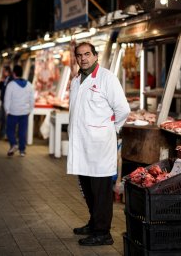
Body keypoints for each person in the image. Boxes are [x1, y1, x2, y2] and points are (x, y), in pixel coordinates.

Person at [67, 42, 130, 246]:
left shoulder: (107, 78)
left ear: (95, 56)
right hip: (82, 145)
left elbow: (123, 110)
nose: (83, 58)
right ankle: (94, 223)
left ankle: (103, 233)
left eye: (87, 54)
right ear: (76, 58)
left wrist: (109, 130)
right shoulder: (77, 81)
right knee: (87, 188)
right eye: (79, 55)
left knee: (101, 190)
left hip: (100, 146)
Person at [4, 65, 34, 157]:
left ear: (14, 73)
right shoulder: (29, 84)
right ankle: (22, 151)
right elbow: (32, 99)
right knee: (22, 132)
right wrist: (30, 109)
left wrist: (7, 110)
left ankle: (14, 144)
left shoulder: (11, 85)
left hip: (13, 112)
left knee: (9, 130)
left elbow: (7, 99)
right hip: (24, 112)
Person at [0, 66, 13, 140]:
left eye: (4, 71)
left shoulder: (11, 79)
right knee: (2, 119)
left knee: (7, 119)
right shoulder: (5, 79)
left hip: (8, 102)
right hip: (3, 101)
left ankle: (7, 136)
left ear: (7, 71)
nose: (2, 72)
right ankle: (1, 135)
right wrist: (1, 81)